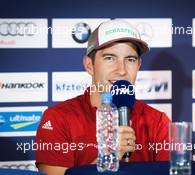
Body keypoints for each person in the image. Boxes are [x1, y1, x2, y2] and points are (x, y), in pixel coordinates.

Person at [35, 19, 170, 175]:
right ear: (89, 65)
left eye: (130, 59)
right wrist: (108, 155)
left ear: (138, 65)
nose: (121, 70)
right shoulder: (58, 119)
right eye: (110, 58)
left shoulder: (158, 122)